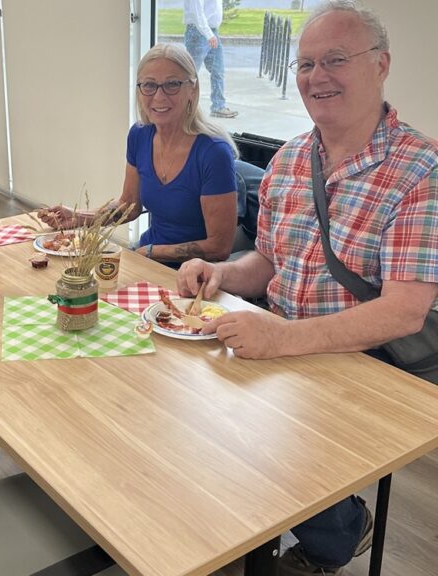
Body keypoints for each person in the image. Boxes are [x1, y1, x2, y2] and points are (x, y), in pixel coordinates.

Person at [176, 2, 438, 574]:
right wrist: (221, 274)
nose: (317, 77)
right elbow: (267, 261)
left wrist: (281, 340)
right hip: (286, 346)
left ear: (381, 65)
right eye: (305, 64)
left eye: (335, 60)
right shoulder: (291, 158)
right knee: (182, 403)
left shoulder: (422, 169)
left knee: (252, 435)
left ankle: (332, 538)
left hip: (371, 362)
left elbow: (404, 314)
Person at [38, 43, 238, 268]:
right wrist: (78, 217)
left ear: (192, 89)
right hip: (147, 258)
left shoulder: (214, 153)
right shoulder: (139, 135)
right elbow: (129, 205)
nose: (159, 96)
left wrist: (153, 252)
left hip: (194, 274)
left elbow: (220, 247)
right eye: (150, 85)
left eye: (172, 84)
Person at [183, 0, 238, 119]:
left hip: (211, 31)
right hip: (198, 32)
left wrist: (211, 34)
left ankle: (218, 106)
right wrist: (209, 34)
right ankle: (184, 107)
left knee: (218, 70)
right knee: (190, 74)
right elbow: (197, 13)